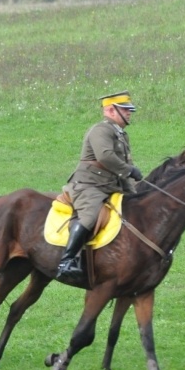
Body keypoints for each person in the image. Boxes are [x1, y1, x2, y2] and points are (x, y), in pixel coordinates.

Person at [56, 90, 143, 284]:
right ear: (111, 110)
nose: (129, 113)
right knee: (90, 215)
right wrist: (130, 170)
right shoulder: (101, 130)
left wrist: (136, 188)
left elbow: (120, 166)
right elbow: (105, 157)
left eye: (130, 110)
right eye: (125, 110)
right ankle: (67, 261)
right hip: (89, 185)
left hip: (110, 186)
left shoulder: (120, 134)